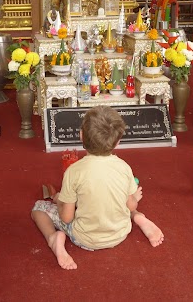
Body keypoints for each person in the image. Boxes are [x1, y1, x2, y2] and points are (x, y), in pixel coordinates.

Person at [31, 106, 164, 270]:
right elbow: (131, 205)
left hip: (85, 238)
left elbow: (66, 217)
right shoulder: (123, 167)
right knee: (121, 201)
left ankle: (53, 239)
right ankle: (138, 217)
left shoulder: (74, 171)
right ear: (118, 141)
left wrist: (59, 201)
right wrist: (134, 200)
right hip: (120, 233)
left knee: (38, 209)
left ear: (81, 135)